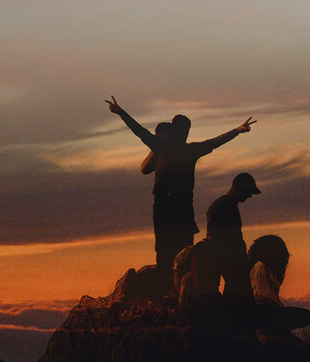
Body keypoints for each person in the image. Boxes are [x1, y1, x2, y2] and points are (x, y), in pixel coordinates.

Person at [106, 96, 255, 267]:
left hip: (177, 203)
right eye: (182, 129)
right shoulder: (174, 148)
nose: (184, 132)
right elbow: (139, 132)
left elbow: (213, 142)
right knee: (168, 247)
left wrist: (236, 131)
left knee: (178, 248)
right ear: (178, 130)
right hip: (170, 203)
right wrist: (121, 112)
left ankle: (176, 283)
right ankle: (168, 283)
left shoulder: (177, 148)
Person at [205, 173, 261, 301]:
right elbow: (213, 237)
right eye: (248, 192)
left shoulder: (229, 206)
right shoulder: (221, 206)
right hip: (229, 263)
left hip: (234, 263)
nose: (250, 196)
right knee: (238, 296)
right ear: (237, 187)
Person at [248, 235, 310, 341]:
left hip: (271, 309)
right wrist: (280, 306)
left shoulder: (271, 271)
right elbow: (262, 295)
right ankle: (266, 332)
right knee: (305, 316)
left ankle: (276, 334)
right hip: (263, 310)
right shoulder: (259, 266)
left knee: (307, 316)